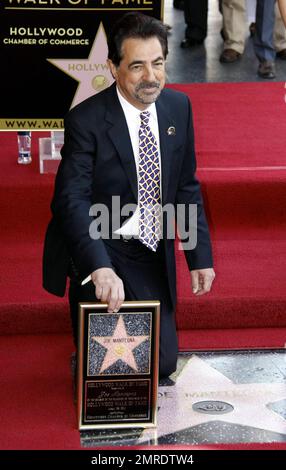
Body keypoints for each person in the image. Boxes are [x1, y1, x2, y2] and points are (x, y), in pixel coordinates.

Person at [43, 12, 215, 379]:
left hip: (152, 248)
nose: (151, 77)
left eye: (158, 63)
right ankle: (86, 297)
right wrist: (99, 266)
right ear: (113, 67)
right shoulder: (86, 120)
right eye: (137, 66)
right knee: (115, 367)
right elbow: (70, 200)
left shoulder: (178, 107)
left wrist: (199, 255)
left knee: (161, 364)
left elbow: (186, 186)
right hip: (103, 245)